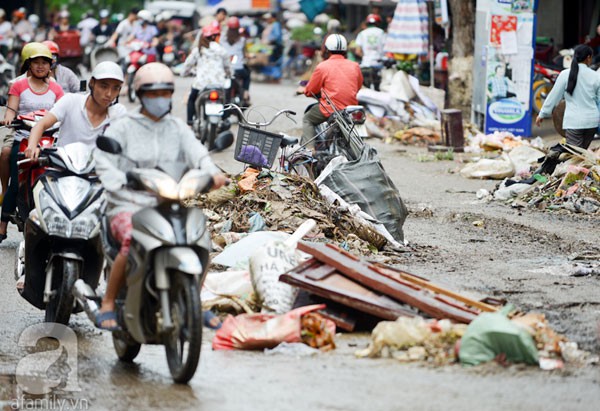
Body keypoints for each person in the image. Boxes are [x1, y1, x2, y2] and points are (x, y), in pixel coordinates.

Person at [93, 62, 228, 330]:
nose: (160, 99)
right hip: (128, 204)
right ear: (141, 95)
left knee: (201, 238)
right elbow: (103, 159)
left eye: (165, 93)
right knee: (131, 240)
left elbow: (198, 153)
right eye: (153, 94)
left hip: (169, 202)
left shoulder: (177, 127)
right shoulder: (124, 126)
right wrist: (122, 181)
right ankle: (108, 303)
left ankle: (195, 299)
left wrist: (213, 174)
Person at [0, 43, 64, 243]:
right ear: (29, 64)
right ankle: (2, 225)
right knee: (15, 185)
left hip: (50, 140)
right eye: (36, 62)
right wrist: (9, 118)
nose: (40, 66)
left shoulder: (56, 88)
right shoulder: (18, 85)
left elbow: (64, 110)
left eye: (44, 62)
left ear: (50, 65)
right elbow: (11, 109)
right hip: (23, 138)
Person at [25, 61, 125, 161]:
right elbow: (41, 125)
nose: (109, 93)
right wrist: (32, 146)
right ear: (92, 83)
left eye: (115, 88)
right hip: (63, 169)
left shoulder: (119, 113)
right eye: (104, 86)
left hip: (96, 173)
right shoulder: (70, 101)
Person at [533, 45, 600, 177]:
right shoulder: (595, 76)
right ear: (588, 58)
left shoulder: (565, 74)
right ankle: (576, 181)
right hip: (591, 122)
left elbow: (554, 96)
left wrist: (542, 114)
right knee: (580, 155)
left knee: (573, 158)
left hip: (573, 122)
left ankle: (570, 183)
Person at [296, 34, 363, 148]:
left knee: (308, 119)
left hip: (331, 108)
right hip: (350, 109)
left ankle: (309, 150)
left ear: (326, 49)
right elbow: (358, 86)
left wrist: (303, 90)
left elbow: (311, 90)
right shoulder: (355, 66)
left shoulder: (323, 66)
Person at [182, 21, 231, 126]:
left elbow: (187, 65)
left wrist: (184, 73)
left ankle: (190, 120)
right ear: (215, 36)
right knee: (226, 100)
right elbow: (228, 66)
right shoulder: (221, 50)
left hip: (201, 84)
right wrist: (229, 74)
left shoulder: (198, 50)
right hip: (219, 83)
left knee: (192, 99)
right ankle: (225, 119)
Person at [221, 16, 250, 103]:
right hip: (238, 69)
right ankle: (245, 93)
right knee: (247, 75)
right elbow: (245, 54)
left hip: (224, 69)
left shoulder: (222, 38)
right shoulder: (242, 39)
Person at [354, 14, 386, 90]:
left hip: (366, 64)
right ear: (378, 23)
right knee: (379, 89)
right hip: (379, 65)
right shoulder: (382, 33)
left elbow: (357, 51)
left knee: (366, 89)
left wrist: (366, 57)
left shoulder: (362, 34)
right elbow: (386, 49)